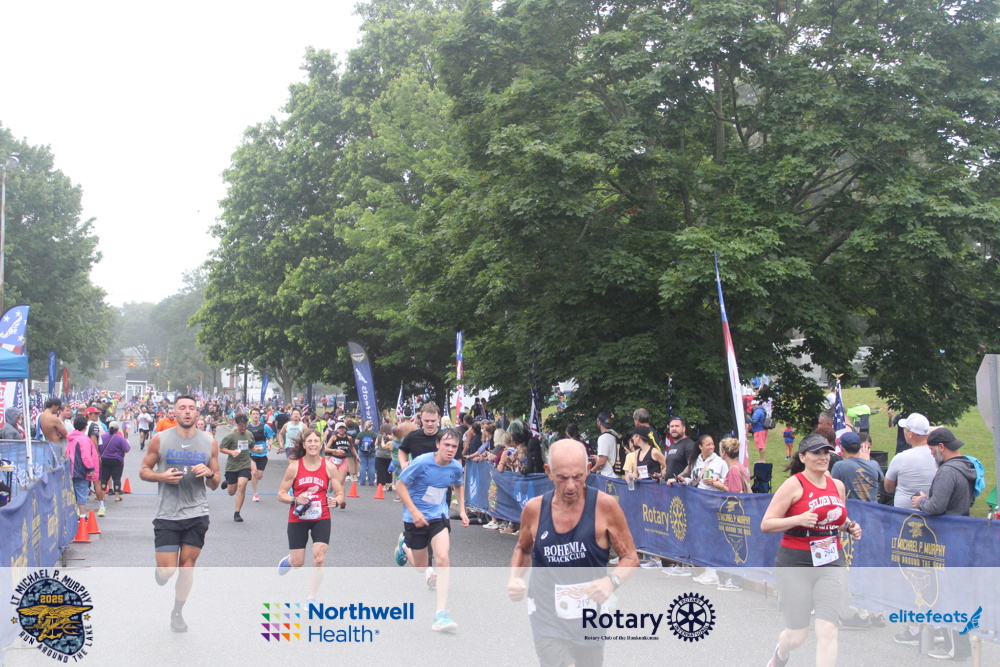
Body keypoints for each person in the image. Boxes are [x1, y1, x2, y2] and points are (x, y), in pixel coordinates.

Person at [507, 439, 639, 667]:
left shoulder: (605, 506)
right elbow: (523, 548)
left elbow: (630, 557)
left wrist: (611, 582)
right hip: (546, 611)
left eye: (578, 477)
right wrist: (514, 579)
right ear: (548, 472)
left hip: (589, 614)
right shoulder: (535, 509)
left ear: (588, 469)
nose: (570, 486)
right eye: (562, 478)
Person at [761, 434, 863, 667]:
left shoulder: (837, 486)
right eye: (816, 453)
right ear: (803, 457)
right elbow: (766, 524)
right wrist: (797, 519)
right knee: (797, 635)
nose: (823, 457)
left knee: (828, 629)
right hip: (796, 562)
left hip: (831, 560)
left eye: (826, 452)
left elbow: (836, 518)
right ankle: (781, 653)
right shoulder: (794, 484)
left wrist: (849, 526)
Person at [138, 395, 219, 633]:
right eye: (182, 408)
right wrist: (161, 476)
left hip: (197, 513)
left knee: (187, 566)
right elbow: (143, 471)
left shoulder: (209, 442)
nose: (187, 411)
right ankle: (161, 573)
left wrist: (209, 473)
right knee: (168, 571)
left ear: (197, 414)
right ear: (174, 412)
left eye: (191, 408)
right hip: (167, 513)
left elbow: (216, 482)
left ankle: (177, 612)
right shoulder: (160, 439)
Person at [907, 427, 976, 660]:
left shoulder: (947, 471)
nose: (931, 454)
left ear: (941, 447)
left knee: (948, 593)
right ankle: (958, 644)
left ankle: (956, 649)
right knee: (957, 593)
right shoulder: (967, 466)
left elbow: (936, 507)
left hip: (947, 540)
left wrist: (921, 501)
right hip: (962, 537)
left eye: (931, 449)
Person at [392, 427, 469, 632]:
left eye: (454, 446)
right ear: (437, 445)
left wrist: (462, 510)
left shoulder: (455, 467)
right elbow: (400, 486)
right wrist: (414, 511)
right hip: (415, 517)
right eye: (446, 445)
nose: (450, 449)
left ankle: (440, 614)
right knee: (420, 566)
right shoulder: (421, 463)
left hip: (438, 517)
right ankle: (404, 546)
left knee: (442, 558)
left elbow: (459, 485)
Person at [276, 428, 345, 600]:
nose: (313, 444)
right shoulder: (294, 467)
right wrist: (295, 499)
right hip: (298, 517)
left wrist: (336, 501)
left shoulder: (329, 467)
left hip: (321, 517)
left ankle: (312, 597)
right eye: (310, 441)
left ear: (321, 445)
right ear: (304, 445)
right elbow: (281, 494)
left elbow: (340, 493)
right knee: (298, 562)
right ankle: (290, 561)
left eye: (316, 441)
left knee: (319, 557)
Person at [884, 413, 936, 508]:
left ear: (911, 434)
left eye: (905, 429)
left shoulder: (901, 458)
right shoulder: (938, 456)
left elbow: (888, 488)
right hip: (931, 512)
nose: (903, 431)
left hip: (904, 513)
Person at [219, 413, 253, 522]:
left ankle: (237, 513)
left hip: (245, 464)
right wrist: (231, 452)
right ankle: (228, 483)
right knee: (231, 492)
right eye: (241, 426)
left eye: (245, 426)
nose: (243, 428)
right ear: (236, 424)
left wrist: (258, 450)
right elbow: (221, 448)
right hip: (232, 466)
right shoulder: (230, 436)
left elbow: (251, 447)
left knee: (242, 486)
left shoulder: (249, 434)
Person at [830, 432, 883, 502]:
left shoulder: (839, 466)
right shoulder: (874, 464)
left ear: (841, 448)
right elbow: (881, 480)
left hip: (851, 508)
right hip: (872, 508)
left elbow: (832, 489)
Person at [66, 414, 100, 519]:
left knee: (74, 492)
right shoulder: (83, 439)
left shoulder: (71, 438)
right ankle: (82, 515)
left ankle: (75, 514)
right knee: (82, 492)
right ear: (85, 426)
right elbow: (85, 456)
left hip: (71, 468)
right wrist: (91, 468)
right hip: (81, 469)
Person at [398, 402, 441, 470]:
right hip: (418, 474)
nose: (430, 424)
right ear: (421, 418)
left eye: (433, 421)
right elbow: (402, 450)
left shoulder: (445, 437)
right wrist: (403, 463)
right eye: (426, 421)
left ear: (438, 418)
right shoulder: (412, 436)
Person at [99, 421, 131, 501]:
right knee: (116, 478)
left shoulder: (102, 437)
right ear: (117, 429)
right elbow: (127, 449)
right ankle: (117, 496)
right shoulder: (120, 438)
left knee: (104, 478)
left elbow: (98, 448)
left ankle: (102, 496)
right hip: (117, 460)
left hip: (104, 460)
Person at [85, 407, 108, 516]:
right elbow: (94, 441)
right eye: (95, 414)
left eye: (98, 414)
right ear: (89, 415)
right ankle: (101, 507)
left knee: (82, 482)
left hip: (81, 456)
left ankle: (80, 508)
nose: (97, 416)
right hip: (91, 456)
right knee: (97, 481)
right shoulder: (93, 425)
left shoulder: (81, 425)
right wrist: (97, 455)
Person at [247, 408, 271, 502]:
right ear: (251, 416)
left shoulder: (264, 426)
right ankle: (255, 494)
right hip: (251, 454)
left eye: (257, 414)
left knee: (259, 476)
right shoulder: (248, 427)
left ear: (259, 416)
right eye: (254, 414)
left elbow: (270, 437)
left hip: (262, 454)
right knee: (254, 472)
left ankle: (253, 479)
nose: (255, 415)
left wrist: (269, 444)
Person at [589, 412, 618, 477]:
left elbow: (602, 461)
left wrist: (592, 470)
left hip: (608, 476)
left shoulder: (603, 438)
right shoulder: (615, 434)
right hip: (617, 474)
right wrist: (597, 458)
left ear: (599, 422)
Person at [355, 420, 379, 486]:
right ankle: (371, 482)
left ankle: (362, 481)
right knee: (371, 466)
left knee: (363, 466)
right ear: (371, 426)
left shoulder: (361, 433)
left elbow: (356, 442)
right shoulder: (374, 434)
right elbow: (377, 443)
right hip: (372, 451)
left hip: (362, 451)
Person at [375, 422, 394, 494]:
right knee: (389, 470)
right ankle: (389, 483)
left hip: (380, 455)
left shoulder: (380, 436)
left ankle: (382, 485)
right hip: (389, 455)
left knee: (381, 470)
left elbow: (376, 444)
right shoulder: (391, 437)